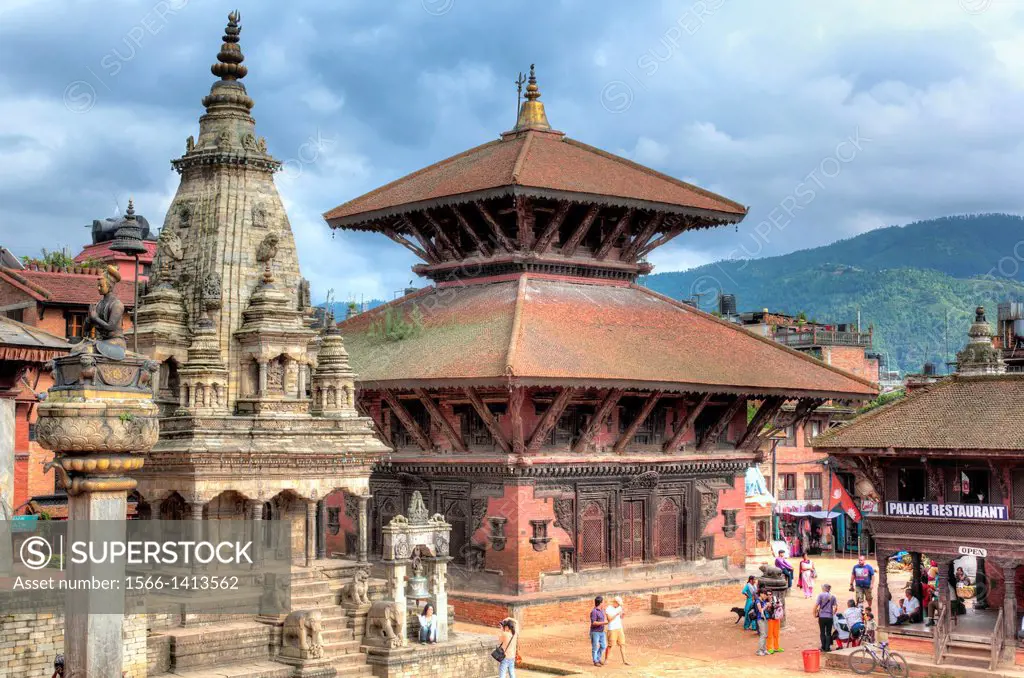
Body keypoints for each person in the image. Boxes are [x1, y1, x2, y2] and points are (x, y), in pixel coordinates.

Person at [603, 595, 630, 665]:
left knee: (622, 644)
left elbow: (621, 617)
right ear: (615, 602)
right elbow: (609, 619)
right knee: (610, 645)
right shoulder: (608, 608)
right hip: (612, 629)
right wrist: (616, 614)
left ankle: (625, 660)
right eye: (618, 604)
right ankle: (606, 660)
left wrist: (623, 614)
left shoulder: (619, 607)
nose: (619, 605)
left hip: (619, 628)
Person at [814, 583, 838, 652]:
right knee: (828, 632)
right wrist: (833, 613)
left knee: (822, 632)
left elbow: (816, 605)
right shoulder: (833, 596)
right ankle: (827, 648)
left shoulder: (821, 595)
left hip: (822, 616)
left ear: (824, 588)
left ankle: (823, 647)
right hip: (829, 617)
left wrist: (814, 613)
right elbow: (835, 607)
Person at [589, 596, 608, 667]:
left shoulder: (602, 611)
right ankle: (595, 661)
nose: (604, 603)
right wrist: (604, 623)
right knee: (595, 647)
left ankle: (598, 658)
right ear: (600, 603)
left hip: (601, 631)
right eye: (603, 602)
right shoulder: (594, 612)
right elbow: (593, 623)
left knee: (603, 646)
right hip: (595, 632)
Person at [754, 590, 770, 656]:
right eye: (765, 595)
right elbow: (760, 610)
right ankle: (759, 650)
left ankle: (764, 649)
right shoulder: (758, 601)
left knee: (765, 634)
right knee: (762, 634)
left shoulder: (763, 601)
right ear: (761, 594)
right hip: (760, 619)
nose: (766, 596)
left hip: (764, 618)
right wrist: (766, 606)